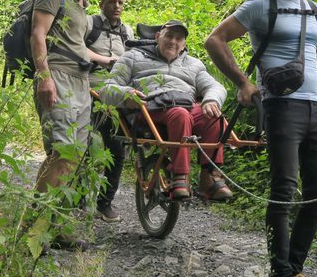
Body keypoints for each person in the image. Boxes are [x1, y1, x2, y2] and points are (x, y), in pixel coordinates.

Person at [205, 0, 317, 277]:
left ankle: (291, 269)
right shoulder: (260, 6)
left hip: (315, 109)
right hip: (281, 107)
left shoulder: (314, 9)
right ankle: (281, 274)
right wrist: (244, 82)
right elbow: (214, 40)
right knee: (283, 189)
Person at [99, 20, 233, 202]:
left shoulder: (193, 64)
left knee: (214, 117)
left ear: (184, 44)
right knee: (180, 114)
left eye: (179, 38)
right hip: (150, 107)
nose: (173, 41)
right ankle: (179, 176)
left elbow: (215, 87)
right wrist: (127, 94)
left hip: (185, 104)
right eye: (169, 36)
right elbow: (107, 89)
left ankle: (210, 177)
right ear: (157, 37)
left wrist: (211, 100)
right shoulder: (132, 57)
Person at [32, 0, 106, 249]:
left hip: (80, 81)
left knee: (73, 156)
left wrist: (106, 59)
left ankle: (56, 224)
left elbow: (75, 45)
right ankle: (35, 228)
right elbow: (38, 34)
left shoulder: (81, 2)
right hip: (58, 78)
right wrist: (44, 77)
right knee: (61, 152)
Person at [85, 0, 135, 222]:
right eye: (112, 2)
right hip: (87, 91)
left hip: (115, 96)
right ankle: (79, 201)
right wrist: (106, 60)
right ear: (101, 3)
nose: (117, 6)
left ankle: (105, 204)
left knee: (117, 147)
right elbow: (77, 47)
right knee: (83, 147)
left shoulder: (128, 31)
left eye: (120, 2)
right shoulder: (89, 24)